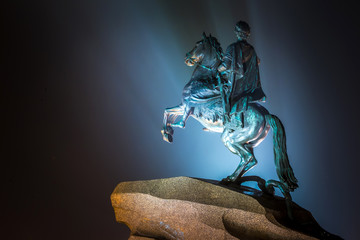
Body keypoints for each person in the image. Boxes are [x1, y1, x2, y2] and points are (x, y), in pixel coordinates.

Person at [218, 21, 266, 126]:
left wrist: (216, 69)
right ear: (247, 34)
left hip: (236, 85)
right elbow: (258, 62)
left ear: (237, 33)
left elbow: (225, 65)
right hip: (249, 86)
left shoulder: (232, 47)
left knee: (220, 92)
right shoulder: (251, 49)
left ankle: (226, 119)